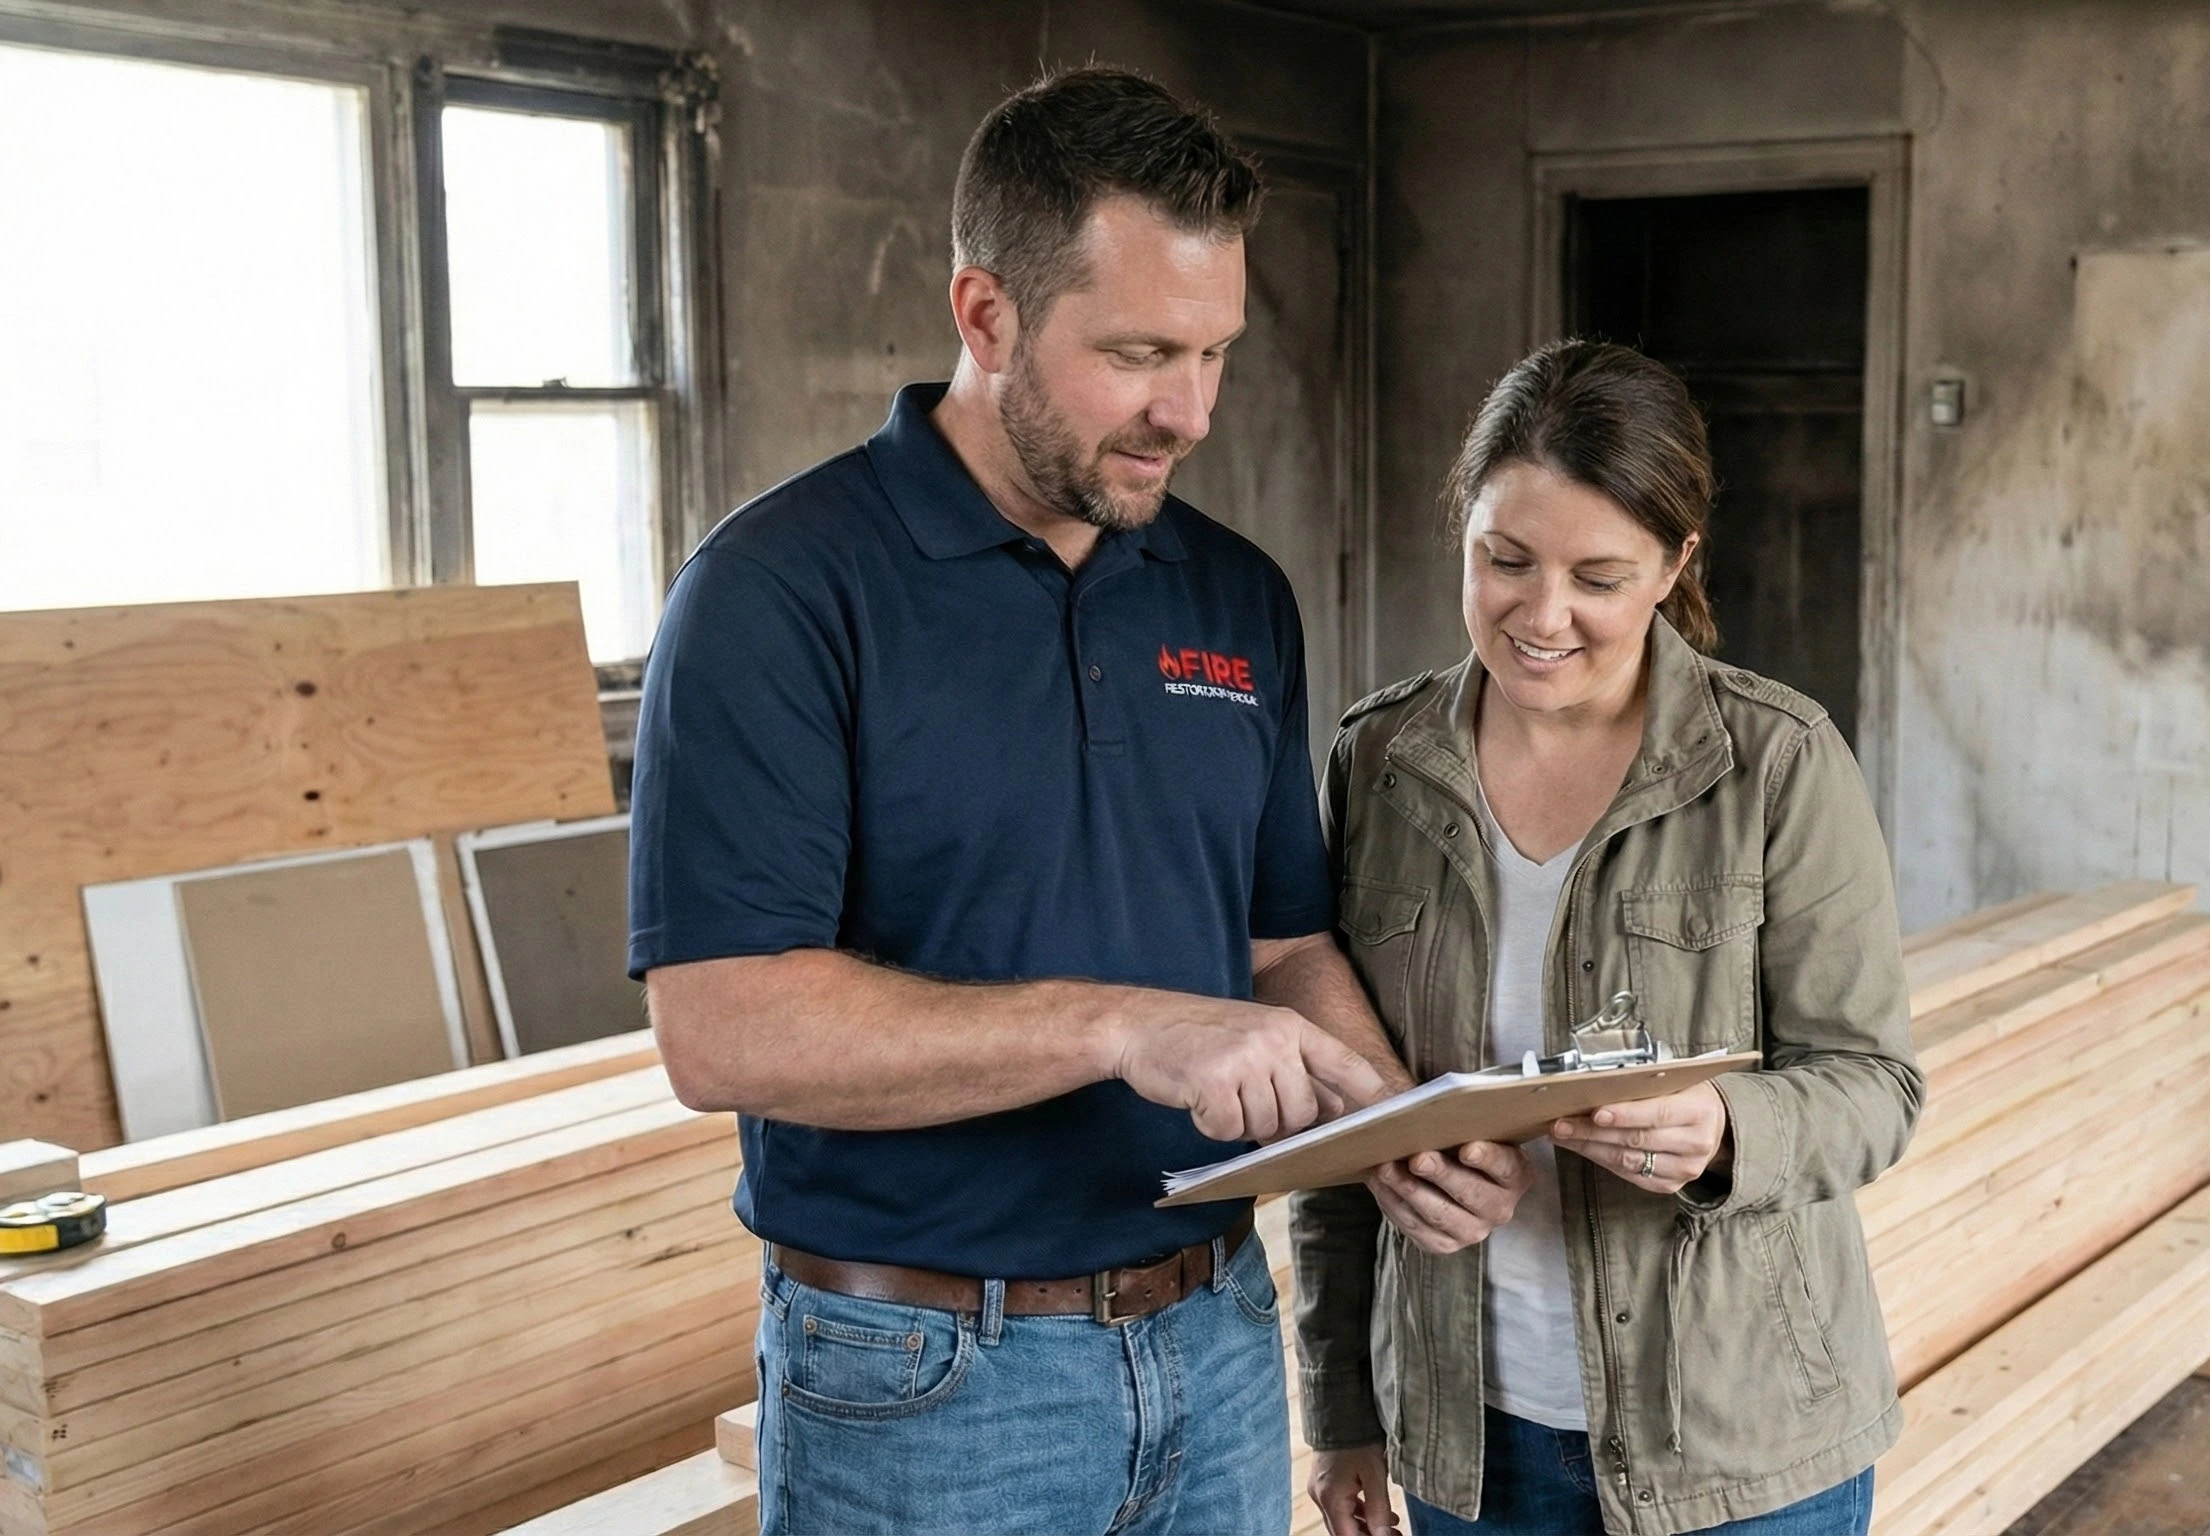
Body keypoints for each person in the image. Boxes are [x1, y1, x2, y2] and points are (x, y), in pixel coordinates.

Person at [626, 67, 1448, 1536]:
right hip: (925, 1384)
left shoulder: (1234, 594)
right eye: (1138, 354)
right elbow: (721, 1027)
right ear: (986, 314)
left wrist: (1397, 1123)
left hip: (1217, 1337)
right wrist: (1124, 1028)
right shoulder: (778, 595)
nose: (1187, 412)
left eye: (1214, 353)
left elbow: (1278, 948)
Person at [1291, 340, 1929, 1536]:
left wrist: (1725, 1128)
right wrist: (1339, 1410)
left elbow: (1873, 1085)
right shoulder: (1376, 763)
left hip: (1739, 1450)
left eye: (1598, 576)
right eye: (1505, 561)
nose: (1542, 617)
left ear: (1674, 562)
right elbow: (1344, 1124)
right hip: (1468, 1448)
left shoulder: (1774, 764)